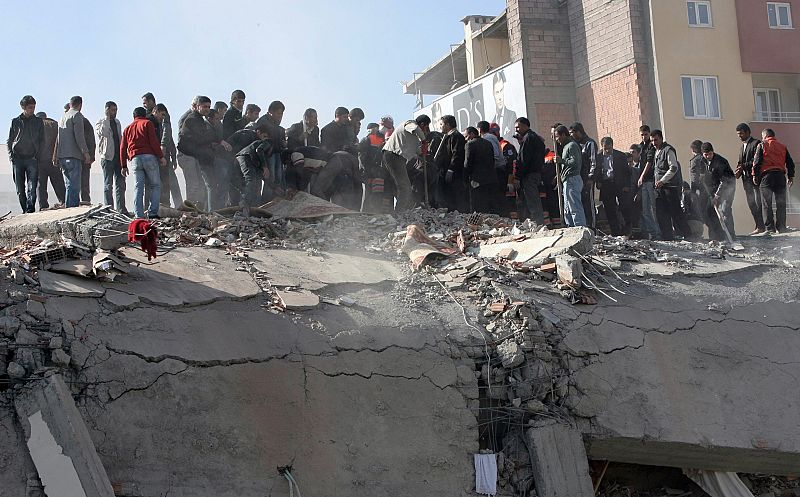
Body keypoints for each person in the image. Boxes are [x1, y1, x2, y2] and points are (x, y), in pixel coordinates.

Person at [178, 95, 230, 210]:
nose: (207, 109)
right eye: (204, 106)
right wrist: (215, 141)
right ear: (197, 106)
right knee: (206, 185)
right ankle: (206, 212)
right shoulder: (192, 119)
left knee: (209, 185)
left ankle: (208, 210)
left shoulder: (199, 119)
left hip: (203, 157)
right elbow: (193, 139)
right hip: (195, 157)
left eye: (208, 107)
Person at [119, 107, 165, 219]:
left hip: (134, 159)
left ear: (133, 116)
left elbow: (122, 147)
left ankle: (138, 215)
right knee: (155, 185)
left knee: (138, 187)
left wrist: (123, 166)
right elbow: (153, 142)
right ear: (144, 115)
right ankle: (152, 213)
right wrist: (161, 156)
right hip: (149, 157)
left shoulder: (127, 128)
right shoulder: (147, 123)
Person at [382, 114, 430, 211]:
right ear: (422, 124)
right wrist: (424, 141)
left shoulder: (414, 138)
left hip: (398, 158)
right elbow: (416, 129)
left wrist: (424, 152)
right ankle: (400, 212)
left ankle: (402, 209)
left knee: (402, 186)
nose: (426, 130)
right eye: (426, 127)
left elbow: (418, 151)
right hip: (393, 155)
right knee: (405, 187)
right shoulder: (409, 123)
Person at [652, 130, 693, 241]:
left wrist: (663, 180)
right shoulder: (656, 152)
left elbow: (673, 168)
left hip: (670, 187)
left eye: (656, 140)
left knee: (676, 212)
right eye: (652, 141)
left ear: (661, 138)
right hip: (659, 189)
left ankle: (688, 235)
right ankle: (667, 236)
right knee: (662, 213)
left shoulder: (668, 150)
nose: (654, 143)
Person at [754, 128, 795, 234]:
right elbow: (790, 163)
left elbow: (757, 162)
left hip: (767, 177)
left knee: (766, 203)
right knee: (781, 203)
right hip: (780, 176)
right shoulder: (782, 146)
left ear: (765, 136)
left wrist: (755, 176)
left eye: (762, 137)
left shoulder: (762, 145)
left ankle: (770, 228)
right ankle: (781, 227)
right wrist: (790, 176)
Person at [7, 95, 44, 213]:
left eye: (33, 107)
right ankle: (24, 210)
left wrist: (39, 155)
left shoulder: (38, 121)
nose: (32, 110)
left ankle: (30, 209)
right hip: (17, 158)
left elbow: (42, 140)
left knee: (32, 186)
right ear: (23, 107)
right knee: (19, 188)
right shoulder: (16, 121)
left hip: (32, 158)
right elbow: (10, 140)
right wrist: (11, 155)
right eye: (29, 107)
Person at [591, 137, 632, 236]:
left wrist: (627, 185)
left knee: (624, 207)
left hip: (619, 185)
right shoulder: (599, 157)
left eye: (609, 148)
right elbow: (596, 171)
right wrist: (598, 181)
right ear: (602, 147)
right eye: (605, 148)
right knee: (610, 210)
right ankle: (616, 232)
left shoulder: (620, 156)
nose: (608, 150)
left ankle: (628, 229)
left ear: (612, 146)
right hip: (606, 185)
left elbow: (627, 172)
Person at [57, 96, 92, 208]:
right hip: (73, 156)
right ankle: (73, 208)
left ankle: (68, 207)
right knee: (75, 185)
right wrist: (86, 153)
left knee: (68, 185)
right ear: (80, 105)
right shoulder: (77, 115)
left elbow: (58, 138)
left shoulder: (63, 117)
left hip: (63, 156)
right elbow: (79, 137)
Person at [700, 142, 736, 239]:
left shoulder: (720, 162)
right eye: (705, 154)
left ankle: (731, 235)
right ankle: (717, 236)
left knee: (725, 209)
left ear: (713, 152)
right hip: (714, 187)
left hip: (728, 186)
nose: (707, 156)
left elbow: (724, 181)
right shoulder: (702, 161)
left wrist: (717, 195)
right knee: (710, 211)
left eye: (709, 154)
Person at [95, 101, 126, 213]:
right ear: (107, 110)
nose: (115, 112)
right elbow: (104, 133)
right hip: (107, 157)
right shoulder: (101, 122)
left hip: (118, 157)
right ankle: (109, 209)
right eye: (113, 110)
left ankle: (121, 208)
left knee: (121, 184)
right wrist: (107, 118)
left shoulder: (117, 122)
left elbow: (120, 137)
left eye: (116, 110)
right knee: (108, 184)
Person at [514, 117, 546, 225]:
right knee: (533, 201)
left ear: (525, 125)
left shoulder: (528, 138)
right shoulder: (535, 138)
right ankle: (537, 223)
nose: (516, 130)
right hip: (535, 174)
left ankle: (538, 224)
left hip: (529, 175)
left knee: (533, 202)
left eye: (518, 127)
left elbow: (524, 160)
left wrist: (518, 177)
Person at [253, 101, 287, 201]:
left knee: (278, 177)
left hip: (276, 153)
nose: (280, 116)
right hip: (266, 154)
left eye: (281, 114)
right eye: (278, 113)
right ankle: (266, 203)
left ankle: (275, 203)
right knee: (270, 178)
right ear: (270, 112)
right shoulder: (263, 121)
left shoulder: (277, 124)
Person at [689, 140, 722, 240]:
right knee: (711, 213)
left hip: (704, 190)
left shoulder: (696, 160)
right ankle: (716, 235)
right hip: (709, 188)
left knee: (706, 214)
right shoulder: (704, 159)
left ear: (693, 150)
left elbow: (694, 177)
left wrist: (694, 191)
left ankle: (716, 235)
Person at [736, 123, 765, 235]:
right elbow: (740, 162)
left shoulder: (756, 143)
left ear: (748, 132)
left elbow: (756, 161)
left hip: (755, 178)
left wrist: (744, 166)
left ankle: (762, 226)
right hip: (746, 179)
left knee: (758, 202)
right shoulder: (741, 147)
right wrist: (738, 170)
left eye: (741, 133)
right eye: (738, 134)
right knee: (751, 202)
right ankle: (758, 225)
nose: (740, 136)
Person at [433, 115, 467, 212]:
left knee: (454, 197)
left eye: (441, 124)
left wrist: (451, 169)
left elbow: (457, 154)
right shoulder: (447, 137)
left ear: (447, 125)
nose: (440, 127)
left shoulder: (456, 136)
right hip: (445, 172)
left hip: (454, 174)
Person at [176, 97, 204, 208]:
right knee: (193, 184)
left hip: (192, 154)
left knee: (197, 183)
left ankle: (195, 206)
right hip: (187, 154)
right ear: (195, 106)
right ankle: (190, 207)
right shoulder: (188, 118)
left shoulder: (196, 118)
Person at [554, 125, 585, 227]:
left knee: (574, 207)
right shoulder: (566, 147)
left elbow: (575, 162)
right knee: (567, 209)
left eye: (557, 137)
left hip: (572, 179)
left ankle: (580, 229)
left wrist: (561, 160)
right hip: (567, 180)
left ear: (563, 134)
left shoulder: (572, 145)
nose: (557, 140)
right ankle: (571, 229)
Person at [569, 123, 597, 229]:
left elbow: (593, 161)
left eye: (572, 133)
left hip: (587, 179)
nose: (571, 135)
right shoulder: (576, 145)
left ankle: (593, 228)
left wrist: (591, 178)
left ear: (578, 132)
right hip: (578, 179)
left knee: (589, 204)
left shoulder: (590, 144)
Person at [464, 126, 498, 214]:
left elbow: (468, 163)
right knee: (489, 204)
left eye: (466, 136)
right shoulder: (488, 143)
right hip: (490, 178)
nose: (465, 139)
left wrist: (465, 177)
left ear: (472, 134)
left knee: (479, 205)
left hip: (477, 180)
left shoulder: (470, 144)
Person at [35, 112, 66, 209]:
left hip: (40, 160)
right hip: (54, 159)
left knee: (41, 185)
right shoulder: (54, 124)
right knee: (58, 182)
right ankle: (64, 201)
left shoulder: (35, 126)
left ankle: (43, 206)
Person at [359, 124, 392, 213]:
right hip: (371, 172)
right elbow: (363, 159)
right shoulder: (366, 140)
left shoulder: (384, 139)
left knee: (383, 194)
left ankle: (381, 213)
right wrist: (367, 174)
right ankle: (368, 214)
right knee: (370, 194)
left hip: (381, 173)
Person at [236, 138, 274, 212]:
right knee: (251, 180)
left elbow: (262, 176)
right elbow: (259, 150)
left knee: (256, 182)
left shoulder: (258, 158)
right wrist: (265, 167)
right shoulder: (267, 143)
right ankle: (244, 204)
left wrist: (274, 187)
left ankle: (253, 206)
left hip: (242, 158)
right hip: (245, 157)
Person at [636, 125, 660, 239]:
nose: (644, 137)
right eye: (642, 135)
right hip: (644, 182)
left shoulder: (651, 146)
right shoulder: (641, 147)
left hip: (650, 180)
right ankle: (653, 233)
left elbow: (649, 162)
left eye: (646, 134)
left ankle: (658, 233)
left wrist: (641, 176)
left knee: (654, 208)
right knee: (646, 209)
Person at [492, 123, 518, 217]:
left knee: (510, 203)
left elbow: (512, 163)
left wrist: (510, 181)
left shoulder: (505, 146)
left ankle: (513, 223)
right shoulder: (495, 144)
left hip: (507, 179)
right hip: (498, 179)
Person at [490, 71, 518, 142]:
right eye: (497, 92)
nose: (500, 97)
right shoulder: (492, 121)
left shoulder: (511, 115)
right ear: (493, 94)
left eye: (501, 90)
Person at [81, 107, 96, 203]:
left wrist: (91, 156)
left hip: (84, 158)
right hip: (75, 157)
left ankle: (85, 201)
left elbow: (91, 140)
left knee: (84, 182)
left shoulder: (84, 122)